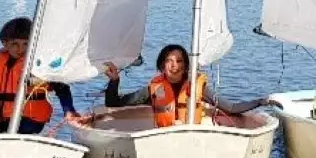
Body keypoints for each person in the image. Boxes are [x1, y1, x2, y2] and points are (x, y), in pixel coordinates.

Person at [101, 44, 278, 127]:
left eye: (178, 61)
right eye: (168, 61)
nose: (173, 65)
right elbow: (114, 104)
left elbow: (231, 108)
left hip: (192, 139)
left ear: (185, 65)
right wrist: (114, 81)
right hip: (164, 140)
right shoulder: (153, 89)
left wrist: (263, 101)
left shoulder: (198, 88)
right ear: (162, 65)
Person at [0, 17, 82, 134]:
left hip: (32, 120)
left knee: (12, 132)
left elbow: (61, 87)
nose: (21, 49)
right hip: (5, 119)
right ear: (5, 43)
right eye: (15, 44)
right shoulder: (2, 61)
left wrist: (68, 110)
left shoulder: (37, 64)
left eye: (26, 43)